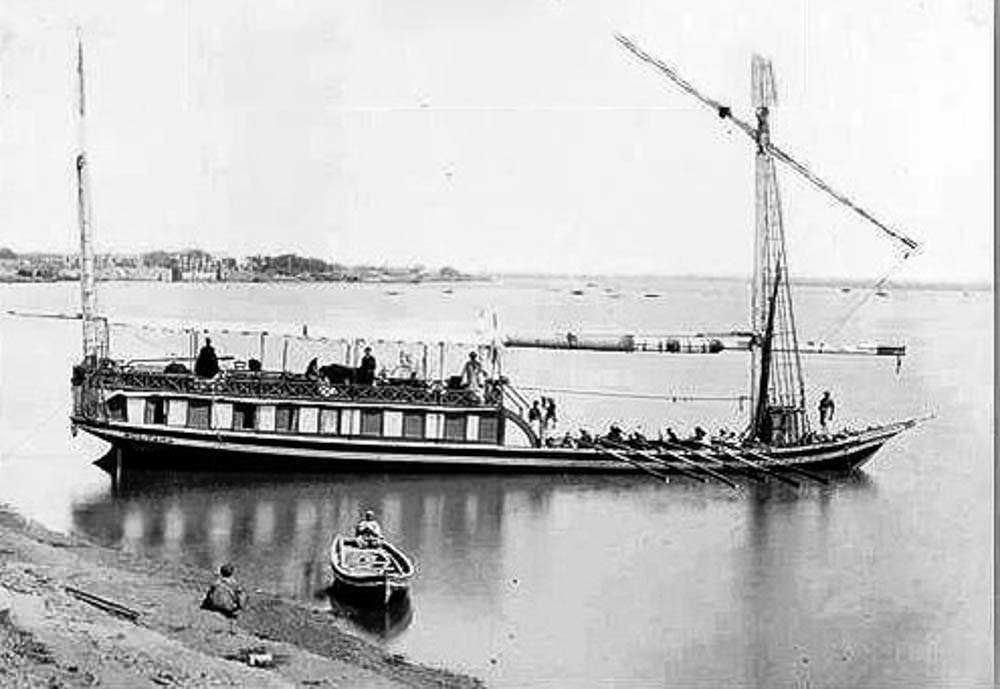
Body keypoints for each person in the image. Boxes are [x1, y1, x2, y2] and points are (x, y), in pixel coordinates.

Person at [201, 563, 247, 633]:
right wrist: (241, 607)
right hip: (228, 607)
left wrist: (205, 605)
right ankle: (232, 627)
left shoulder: (216, 583)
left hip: (215, 605)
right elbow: (240, 597)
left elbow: (209, 594)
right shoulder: (234, 584)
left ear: (221, 573)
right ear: (232, 573)